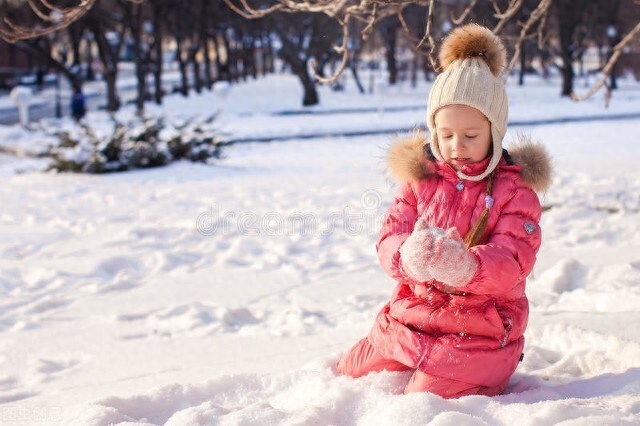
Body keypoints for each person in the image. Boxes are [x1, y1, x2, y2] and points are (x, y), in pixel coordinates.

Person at [336, 23, 552, 398]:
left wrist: (466, 266)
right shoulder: (422, 179)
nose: (456, 146)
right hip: (413, 316)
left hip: (479, 331)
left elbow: (514, 259)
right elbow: (389, 236)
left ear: (495, 133)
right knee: (348, 372)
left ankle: (474, 379)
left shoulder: (515, 190)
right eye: (446, 134)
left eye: (471, 136)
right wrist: (407, 253)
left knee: (421, 402)